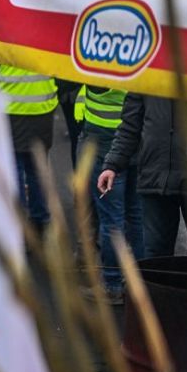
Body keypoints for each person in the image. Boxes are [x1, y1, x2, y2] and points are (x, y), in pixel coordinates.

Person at [98, 95, 187, 259]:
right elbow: (130, 126)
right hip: (155, 180)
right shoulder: (147, 75)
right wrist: (112, 165)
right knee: (157, 259)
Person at [76, 86, 143, 304]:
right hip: (136, 134)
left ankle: (112, 283)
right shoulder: (141, 56)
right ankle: (142, 281)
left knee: (111, 218)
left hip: (104, 139)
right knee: (135, 214)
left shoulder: (101, 59)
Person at [0, 62, 57, 232]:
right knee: (37, 168)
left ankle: (19, 226)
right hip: (42, 110)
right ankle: (41, 221)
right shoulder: (50, 34)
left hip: (10, 111)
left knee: (14, 169)